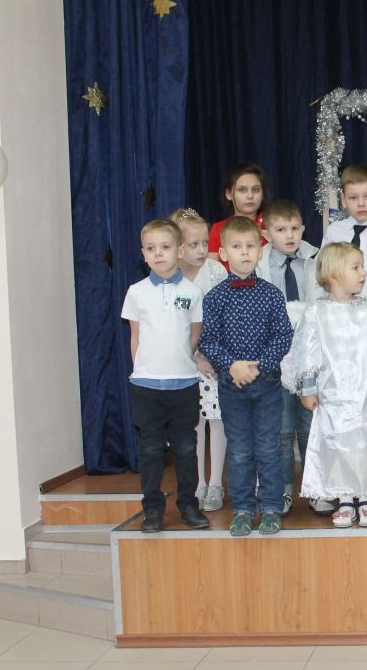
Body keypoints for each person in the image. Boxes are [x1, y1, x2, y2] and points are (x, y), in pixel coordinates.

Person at [285, 242, 367, 528]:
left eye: (362, 266)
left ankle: (365, 497)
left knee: (366, 443)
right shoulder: (316, 312)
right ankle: (344, 498)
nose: (363, 273)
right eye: (356, 267)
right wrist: (308, 388)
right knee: (338, 444)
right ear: (334, 274)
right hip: (334, 395)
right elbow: (307, 351)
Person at [199, 216, 294, 536]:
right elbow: (208, 340)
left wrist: (258, 366)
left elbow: (283, 335)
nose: (244, 252)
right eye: (237, 247)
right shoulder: (214, 297)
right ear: (224, 253)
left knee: (268, 447)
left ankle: (270, 507)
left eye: (250, 246)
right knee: (239, 450)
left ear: (260, 251)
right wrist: (232, 366)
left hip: (267, 385)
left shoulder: (271, 295)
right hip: (231, 386)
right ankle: (241, 508)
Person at [121, 218, 210, 533]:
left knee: (185, 447)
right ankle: (153, 510)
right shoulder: (136, 292)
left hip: (183, 384)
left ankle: (188, 505)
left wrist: (182, 362)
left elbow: (194, 333)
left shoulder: (192, 292)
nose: (158, 253)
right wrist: (142, 370)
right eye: (151, 248)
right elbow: (135, 336)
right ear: (143, 254)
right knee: (150, 449)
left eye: (165, 247)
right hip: (147, 386)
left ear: (180, 250)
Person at [254, 199, 319, 515]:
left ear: (303, 228)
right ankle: (283, 490)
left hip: (308, 356)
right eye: (281, 230)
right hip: (275, 357)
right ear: (267, 234)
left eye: (294, 228)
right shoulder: (258, 264)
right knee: (281, 430)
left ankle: (316, 488)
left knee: (310, 427)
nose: (289, 235)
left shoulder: (315, 259)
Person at [169, 208, 228, 512]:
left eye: (205, 243)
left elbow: (223, 318)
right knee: (193, 423)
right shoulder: (170, 279)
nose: (202, 250)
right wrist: (194, 357)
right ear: (179, 248)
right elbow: (172, 327)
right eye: (194, 245)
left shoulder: (216, 272)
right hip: (184, 360)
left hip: (213, 359)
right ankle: (197, 483)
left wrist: (213, 356)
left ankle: (216, 483)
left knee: (217, 420)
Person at [310, 163, 367, 299]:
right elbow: (321, 271)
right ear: (343, 199)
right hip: (339, 307)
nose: (361, 203)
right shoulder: (334, 231)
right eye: (353, 197)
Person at [208, 162, 268, 268]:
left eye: (256, 190)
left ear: (263, 194)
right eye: (242, 190)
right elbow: (211, 271)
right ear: (229, 194)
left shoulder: (272, 226)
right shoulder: (218, 229)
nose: (250, 196)